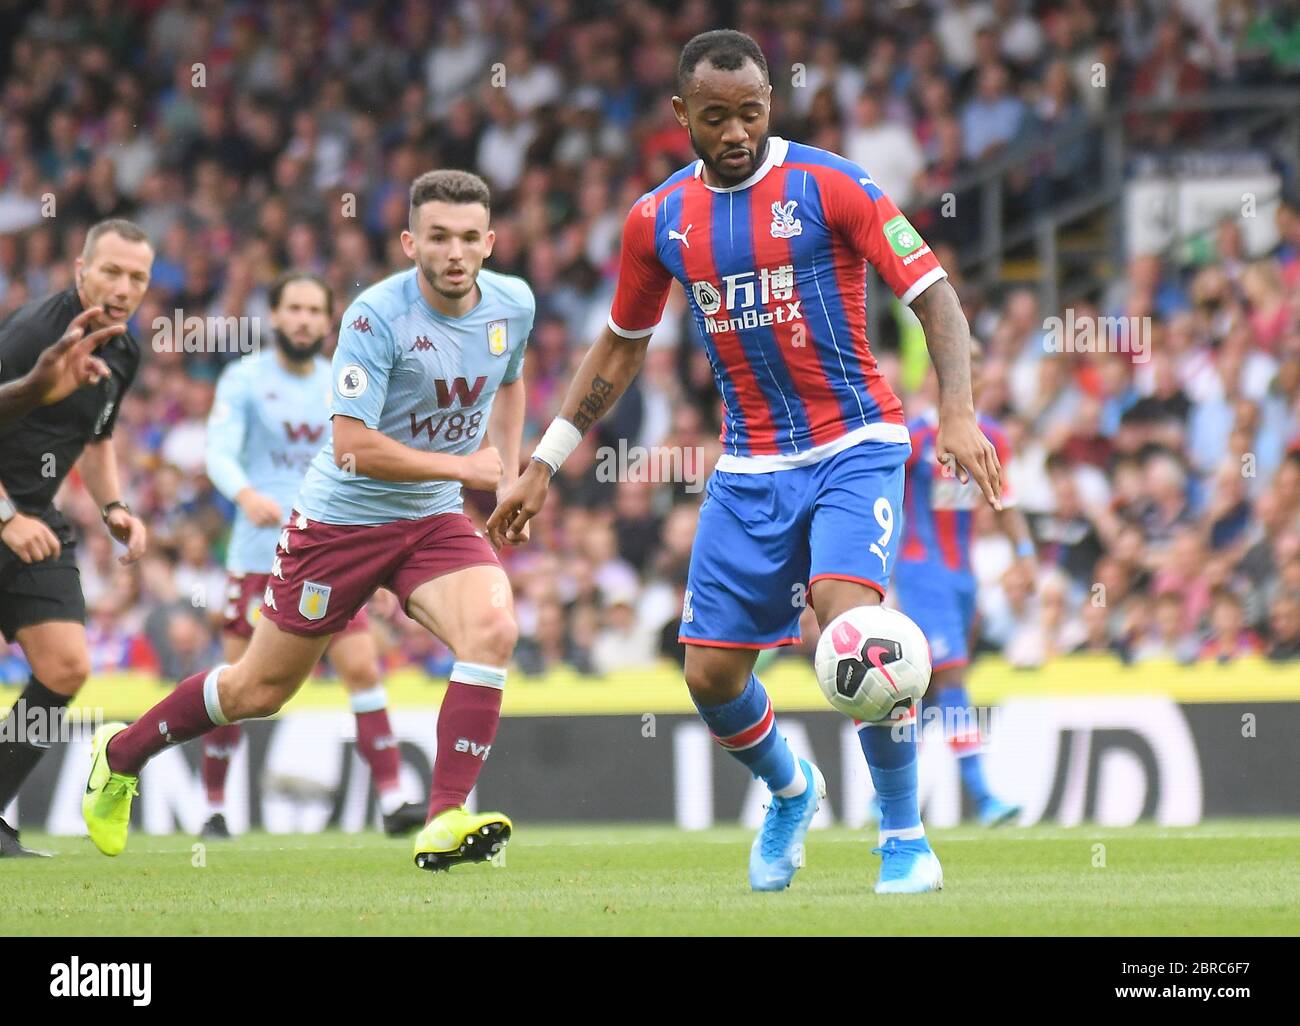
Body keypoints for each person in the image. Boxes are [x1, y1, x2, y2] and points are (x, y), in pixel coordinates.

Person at [490, 30, 1003, 894]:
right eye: (717, 117)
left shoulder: (830, 184)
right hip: (751, 465)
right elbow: (618, 348)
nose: (736, 133)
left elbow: (937, 297)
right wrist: (545, 460)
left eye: (752, 113)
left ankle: (904, 838)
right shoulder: (658, 220)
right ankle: (792, 789)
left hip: (856, 444)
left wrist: (956, 411)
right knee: (710, 674)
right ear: (681, 115)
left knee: (857, 634)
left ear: (773, 103)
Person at [84, 170, 527, 872]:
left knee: (495, 631)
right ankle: (119, 754)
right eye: (438, 237)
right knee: (256, 691)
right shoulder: (373, 318)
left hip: (432, 520)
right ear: (411, 242)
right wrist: (465, 469)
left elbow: (510, 378)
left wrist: (512, 470)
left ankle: (442, 817)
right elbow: (352, 449)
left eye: (470, 238)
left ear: (490, 242)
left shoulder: (512, 304)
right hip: (337, 526)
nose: (455, 252)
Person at [200, 270, 425, 839]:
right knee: (237, 684)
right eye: (292, 308)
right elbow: (217, 453)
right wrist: (245, 494)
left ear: (329, 321)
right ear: (275, 316)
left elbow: (372, 459)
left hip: (330, 551)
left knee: (361, 667)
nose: (302, 319)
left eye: (313, 310)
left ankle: (397, 800)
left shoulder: (342, 382)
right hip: (258, 556)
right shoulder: (244, 379)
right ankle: (213, 807)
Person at [0, 219, 152, 858]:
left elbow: (97, 436)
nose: (123, 287)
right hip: (11, 512)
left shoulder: (123, 350)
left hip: (35, 515)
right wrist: (6, 516)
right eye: (111, 271)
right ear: (80, 269)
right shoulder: (35, 333)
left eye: (137, 277)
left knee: (65, 666)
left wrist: (113, 504)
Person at [893, 340, 1034, 826]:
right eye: (958, 364)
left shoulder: (989, 434)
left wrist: (1026, 554)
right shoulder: (911, 438)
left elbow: (1005, 497)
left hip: (963, 577)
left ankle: (886, 791)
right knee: (951, 676)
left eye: (973, 365)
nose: (966, 373)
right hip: (920, 571)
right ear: (934, 374)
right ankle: (985, 796)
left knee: (927, 686)